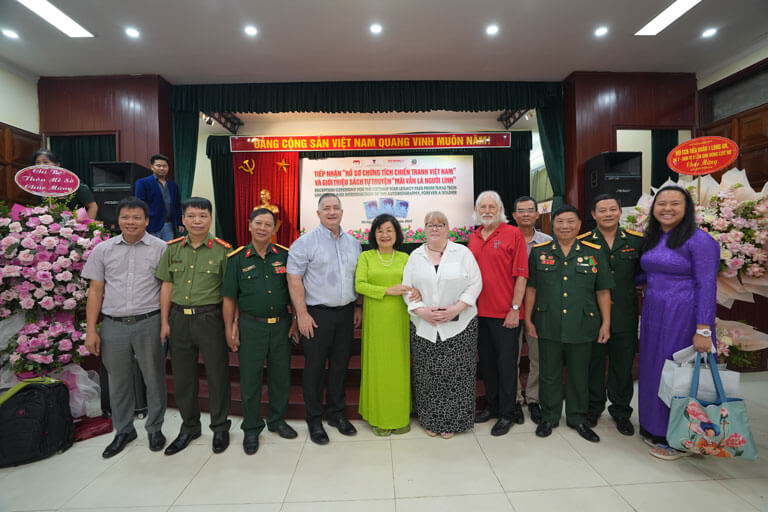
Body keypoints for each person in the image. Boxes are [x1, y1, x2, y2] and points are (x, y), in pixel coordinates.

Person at [82, 196, 167, 458]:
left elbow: (166, 287)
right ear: (118, 220)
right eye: (126, 217)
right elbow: (95, 291)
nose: (131, 222)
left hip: (149, 321)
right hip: (113, 325)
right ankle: (124, 430)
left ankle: (154, 428)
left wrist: (165, 323)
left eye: (137, 217)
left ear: (147, 221)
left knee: (154, 378)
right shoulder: (102, 250)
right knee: (117, 381)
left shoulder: (161, 248)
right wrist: (91, 330)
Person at [638, 186, 718, 461]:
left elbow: (707, 285)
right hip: (653, 315)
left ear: (687, 208)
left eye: (675, 203)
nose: (667, 208)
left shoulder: (700, 241)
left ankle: (683, 438)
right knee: (655, 371)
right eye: (661, 203)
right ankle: (655, 427)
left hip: (684, 317)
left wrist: (703, 328)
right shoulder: (654, 237)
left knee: (681, 377)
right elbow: (643, 274)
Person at [524, 204, 613, 443]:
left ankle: (577, 418)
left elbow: (603, 291)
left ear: (580, 224)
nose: (565, 226)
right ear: (552, 225)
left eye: (570, 221)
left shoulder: (593, 252)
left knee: (578, 374)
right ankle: (549, 417)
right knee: (549, 374)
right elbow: (531, 288)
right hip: (548, 321)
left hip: (582, 323)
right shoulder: (540, 252)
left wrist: (606, 324)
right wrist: (528, 318)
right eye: (560, 221)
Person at [156, 197, 232, 455]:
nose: (197, 220)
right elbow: (166, 286)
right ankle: (189, 427)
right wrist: (165, 321)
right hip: (179, 319)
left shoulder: (223, 250)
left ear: (210, 219)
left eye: (203, 215)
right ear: (183, 219)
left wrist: (229, 326)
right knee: (183, 376)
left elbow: (229, 294)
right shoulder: (173, 248)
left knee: (217, 375)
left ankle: (220, 426)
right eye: (191, 215)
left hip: (210, 319)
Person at [221, 208, 299, 455]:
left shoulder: (286, 256)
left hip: (281, 325)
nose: (263, 228)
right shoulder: (237, 259)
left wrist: (296, 319)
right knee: (250, 379)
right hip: (250, 326)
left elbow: (295, 292)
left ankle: (277, 421)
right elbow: (229, 299)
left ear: (275, 229)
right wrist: (228, 328)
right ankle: (252, 428)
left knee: (280, 376)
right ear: (249, 225)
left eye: (268, 224)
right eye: (258, 223)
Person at [287, 193, 362, 445]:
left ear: (342, 212)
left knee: (340, 365)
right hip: (315, 315)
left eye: (336, 208)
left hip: (345, 313)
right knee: (315, 368)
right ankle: (314, 419)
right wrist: (301, 314)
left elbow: (357, 278)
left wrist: (358, 306)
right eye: (326, 208)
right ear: (318, 213)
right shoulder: (305, 243)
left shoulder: (354, 243)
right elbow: (294, 278)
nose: (332, 212)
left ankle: (336, 414)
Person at [403, 211, 482, 439]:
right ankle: (431, 419)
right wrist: (421, 311)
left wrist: (457, 308)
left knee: (458, 375)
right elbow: (407, 289)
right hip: (424, 325)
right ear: (424, 229)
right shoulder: (415, 256)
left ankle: (454, 422)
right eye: (430, 225)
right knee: (427, 375)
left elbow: (475, 284)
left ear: (448, 229)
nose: (435, 228)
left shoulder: (463, 253)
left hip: (460, 325)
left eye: (440, 225)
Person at [580, 194, 643, 437]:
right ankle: (593, 408)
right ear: (593, 214)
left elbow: (643, 273)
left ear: (619, 212)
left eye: (613, 209)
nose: (608, 213)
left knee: (622, 365)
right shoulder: (583, 242)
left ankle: (621, 411)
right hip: (593, 315)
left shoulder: (637, 241)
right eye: (602, 210)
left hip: (625, 314)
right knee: (593, 364)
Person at [468, 191, 528, 436]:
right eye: (482, 206)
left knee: (506, 366)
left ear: (501, 209)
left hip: (506, 314)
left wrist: (515, 309)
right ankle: (492, 407)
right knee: (489, 365)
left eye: (492, 206)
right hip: (478, 314)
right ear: (476, 210)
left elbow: (522, 275)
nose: (487, 210)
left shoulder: (513, 234)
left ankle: (507, 413)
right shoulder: (472, 237)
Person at [355, 214, 414, 436]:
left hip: (400, 316)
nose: (385, 234)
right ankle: (378, 417)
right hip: (376, 317)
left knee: (398, 365)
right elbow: (359, 285)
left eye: (389, 230)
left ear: (397, 233)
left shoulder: (405, 258)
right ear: (374, 234)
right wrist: (386, 290)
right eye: (380, 230)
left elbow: (414, 283)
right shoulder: (366, 257)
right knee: (378, 366)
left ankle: (399, 416)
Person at [511, 196, 552, 424]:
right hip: (512, 308)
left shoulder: (547, 242)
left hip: (539, 309)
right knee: (512, 356)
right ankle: (516, 399)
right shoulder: (507, 238)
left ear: (537, 214)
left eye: (530, 210)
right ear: (514, 215)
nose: (525, 214)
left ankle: (534, 399)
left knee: (537, 357)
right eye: (521, 211)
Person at [32, 149, 98, 219]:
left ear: (57, 165)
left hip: (76, 224)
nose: (41, 165)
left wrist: (88, 226)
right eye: (38, 162)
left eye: (46, 162)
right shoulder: (37, 186)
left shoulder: (72, 183)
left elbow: (93, 206)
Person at [135, 154, 183, 241]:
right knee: (152, 252)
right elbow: (139, 205)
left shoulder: (173, 185)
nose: (162, 168)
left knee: (168, 251)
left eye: (164, 166)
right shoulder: (142, 183)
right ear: (152, 167)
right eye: (158, 166)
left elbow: (177, 205)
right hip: (151, 225)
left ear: (168, 168)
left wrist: (180, 223)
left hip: (169, 225)